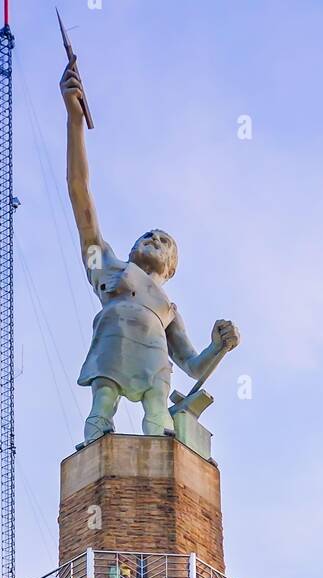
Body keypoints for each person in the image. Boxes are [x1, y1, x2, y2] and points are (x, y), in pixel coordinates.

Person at [60, 61, 240, 444]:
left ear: (171, 268)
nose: (154, 240)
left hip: (155, 360)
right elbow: (80, 193)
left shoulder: (169, 309)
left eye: (163, 242)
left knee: (159, 418)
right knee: (102, 406)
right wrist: (75, 119)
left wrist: (219, 346)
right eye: (148, 236)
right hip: (112, 345)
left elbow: (192, 365)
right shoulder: (107, 264)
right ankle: (98, 443)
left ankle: (162, 442)